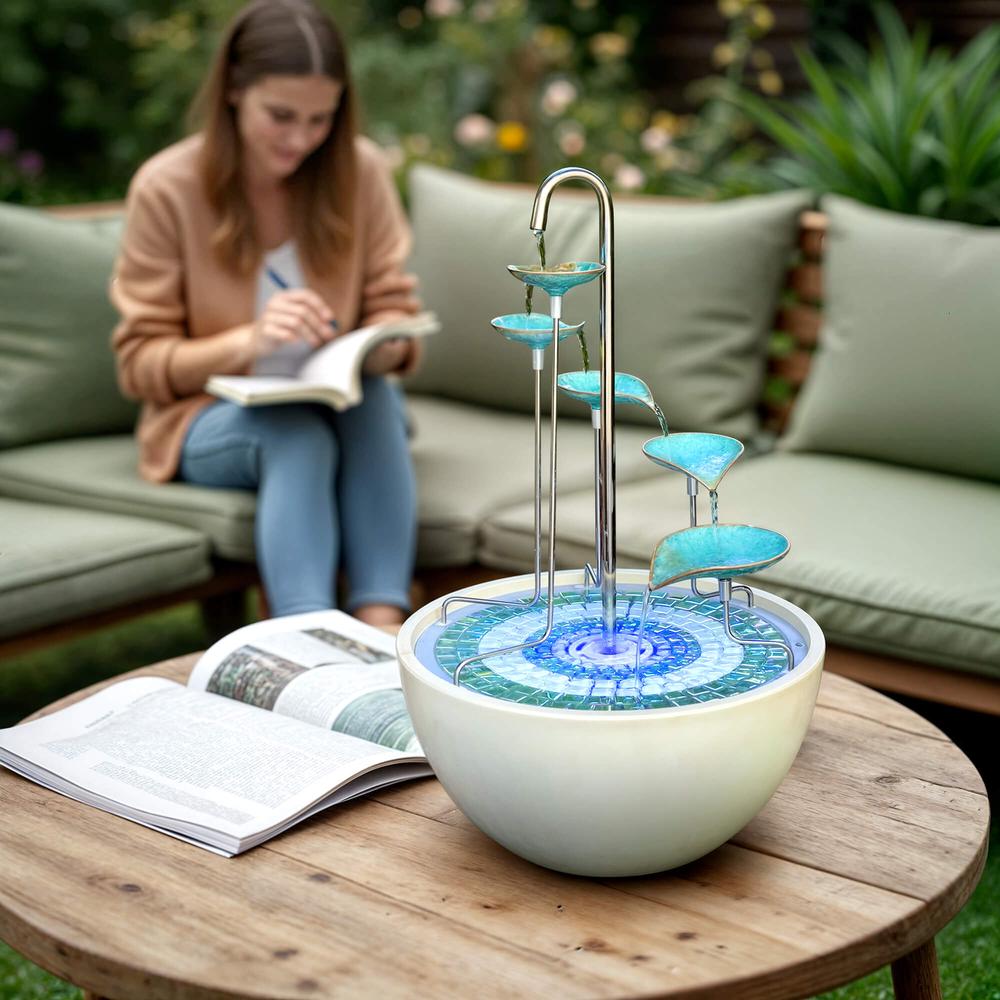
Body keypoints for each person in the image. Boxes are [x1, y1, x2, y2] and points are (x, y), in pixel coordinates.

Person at [111, 0, 421, 627]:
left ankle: (382, 623)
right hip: (207, 417)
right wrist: (248, 341)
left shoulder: (357, 172)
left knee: (376, 397)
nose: (300, 139)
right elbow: (139, 364)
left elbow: (394, 307)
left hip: (340, 400)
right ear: (232, 90)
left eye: (319, 120)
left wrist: (382, 344)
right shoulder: (167, 188)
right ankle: (305, 641)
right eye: (280, 116)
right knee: (295, 435)